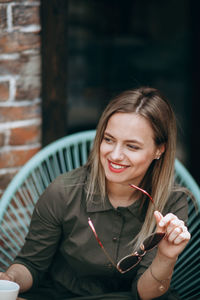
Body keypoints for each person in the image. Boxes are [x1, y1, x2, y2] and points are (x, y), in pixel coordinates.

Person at [0, 87, 191, 300]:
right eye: (108, 139)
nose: (115, 155)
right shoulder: (63, 192)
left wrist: (165, 257)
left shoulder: (172, 203)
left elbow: (145, 294)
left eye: (132, 146)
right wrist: (10, 279)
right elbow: (31, 264)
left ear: (159, 149)